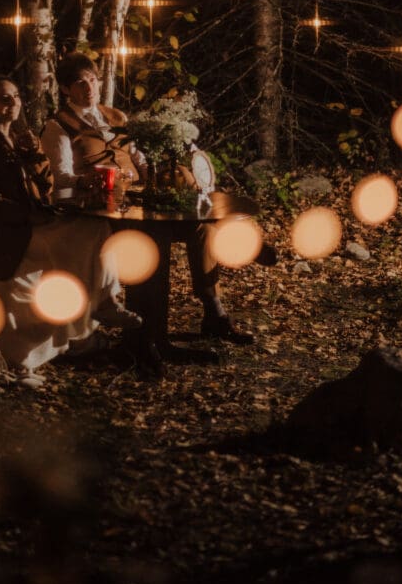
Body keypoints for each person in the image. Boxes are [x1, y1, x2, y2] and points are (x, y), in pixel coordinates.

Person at [41, 53, 255, 369]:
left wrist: (155, 173)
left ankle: (213, 311)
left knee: (202, 227)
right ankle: (144, 340)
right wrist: (89, 179)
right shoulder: (58, 126)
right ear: (65, 89)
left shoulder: (116, 117)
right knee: (154, 237)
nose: (89, 88)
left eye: (93, 80)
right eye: (80, 82)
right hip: (100, 210)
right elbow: (59, 178)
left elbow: (139, 157)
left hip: (137, 201)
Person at [0, 74, 140, 389]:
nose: (12, 103)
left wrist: (33, 155)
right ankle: (18, 361)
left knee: (95, 226)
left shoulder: (16, 136)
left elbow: (45, 185)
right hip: (2, 231)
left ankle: (104, 299)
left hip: (27, 221)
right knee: (78, 241)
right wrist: (28, 216)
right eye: (4, 98)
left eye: (16, 96)